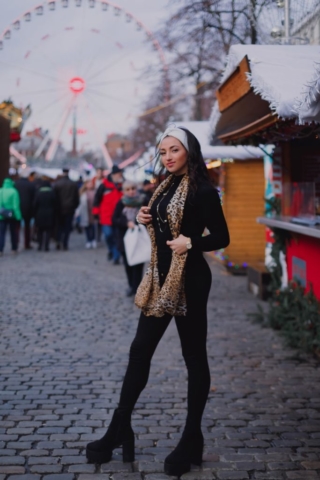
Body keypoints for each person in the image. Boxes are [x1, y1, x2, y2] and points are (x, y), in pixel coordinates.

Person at [86, 126, 230, 476]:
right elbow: (163, 224)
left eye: (174, 150)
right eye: (163, 150)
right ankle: (120, 428)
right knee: (139, 351)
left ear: (189, 152)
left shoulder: (204, 191)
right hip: (160, 280)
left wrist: (192, 242)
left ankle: (191, 437)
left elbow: (222, 237)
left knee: (193, 356)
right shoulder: (163, 187)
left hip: (191, 281)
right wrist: (144, 217)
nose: (167, 156)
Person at [112, 181, 144, 296]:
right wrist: (126, 223)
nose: (131, 191)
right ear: (124, 191)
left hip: (140, 238)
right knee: (128, 264)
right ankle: (131, 286)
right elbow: (114, 219)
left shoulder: (142, 201)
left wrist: (140, 222)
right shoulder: (121, 203)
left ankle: (137, 287)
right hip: (125, 239)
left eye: (133, 188)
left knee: (138, 264)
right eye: (128, 189)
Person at [92, 165, 123, 264]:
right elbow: (96, 199)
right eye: (119, 174)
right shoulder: (104, 186)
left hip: (118, 216)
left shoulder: (122, 185)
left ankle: (116, 256)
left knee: (117, 237)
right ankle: (111, 250)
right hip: (106, 216)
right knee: (108, 235)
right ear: (114, 175)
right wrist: (96, 212)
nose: (120, 176)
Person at [54, 168, 79, 250]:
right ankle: (65, 243)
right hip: (70, 209)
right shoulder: (73, 184)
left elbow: (55, 198)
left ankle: (58, 240)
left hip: (59, 209)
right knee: (67, 228)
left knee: (59, 227)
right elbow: (76, 198)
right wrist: (74, 206)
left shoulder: (58, 184)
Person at [0, 177, 22, 256]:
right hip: (12, 215)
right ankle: (14, 248)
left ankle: (0, 249)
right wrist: (18, 216)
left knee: (1, 233)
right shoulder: (14, 191)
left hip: (1, 216)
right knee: (13, 233)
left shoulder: (1, 191)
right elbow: (16, 206)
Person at [15, 169, 36, 249]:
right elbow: (34, 197)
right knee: (27, 228)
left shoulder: (16, 184)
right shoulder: (31, 185)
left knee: (16, 227)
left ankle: (16, 243)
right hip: (28, 209)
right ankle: (26, 244)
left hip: (17, 208)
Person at [33, 180, 56, 252]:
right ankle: (46, 246)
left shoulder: (38, 193)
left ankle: (40, 246)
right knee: (48, 231)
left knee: (40, 231)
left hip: (39, 214)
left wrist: (34, 214)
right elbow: (55, 204)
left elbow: (34, 205)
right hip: (50, 214)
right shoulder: (52, 193)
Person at [78, 180, 96, 249]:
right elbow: (80, 204)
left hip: (93, 212)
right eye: (89, 184)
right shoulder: (83, 193)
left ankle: (93, 239)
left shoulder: (95, 192)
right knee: (87, 227)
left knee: (93, 226)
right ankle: (89, 240)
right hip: (86, 212)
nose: (90, 185)